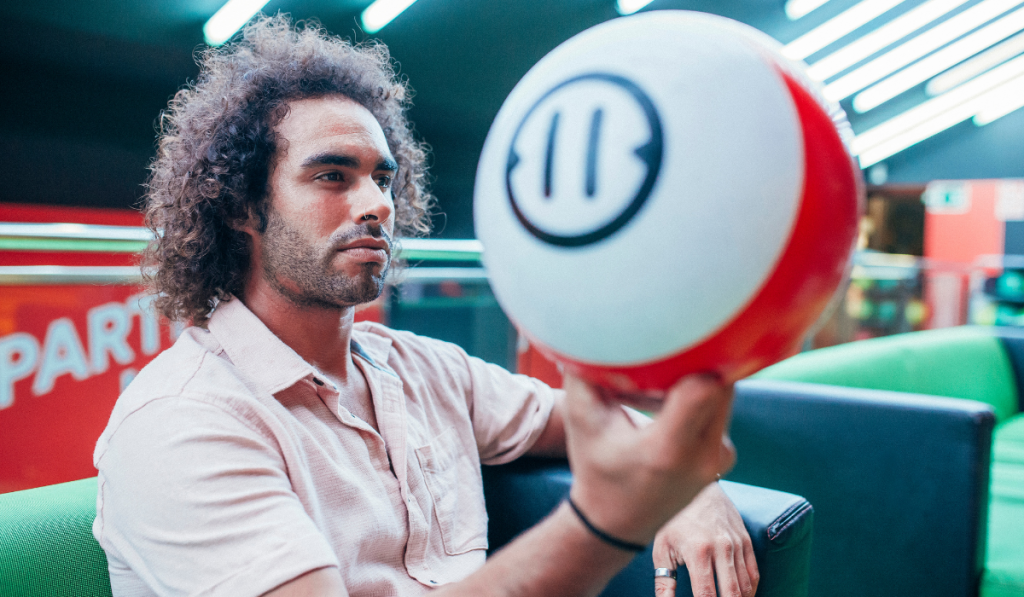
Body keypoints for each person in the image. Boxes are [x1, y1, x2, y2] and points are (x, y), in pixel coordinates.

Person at [93, 15, 758, 597]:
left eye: (383, 178)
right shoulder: (182, 420)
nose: (376, 203)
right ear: (241, 205)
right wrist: (605, 523)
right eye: (332, 176)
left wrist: (691, 490)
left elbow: (592, 425)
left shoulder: (421, 369)